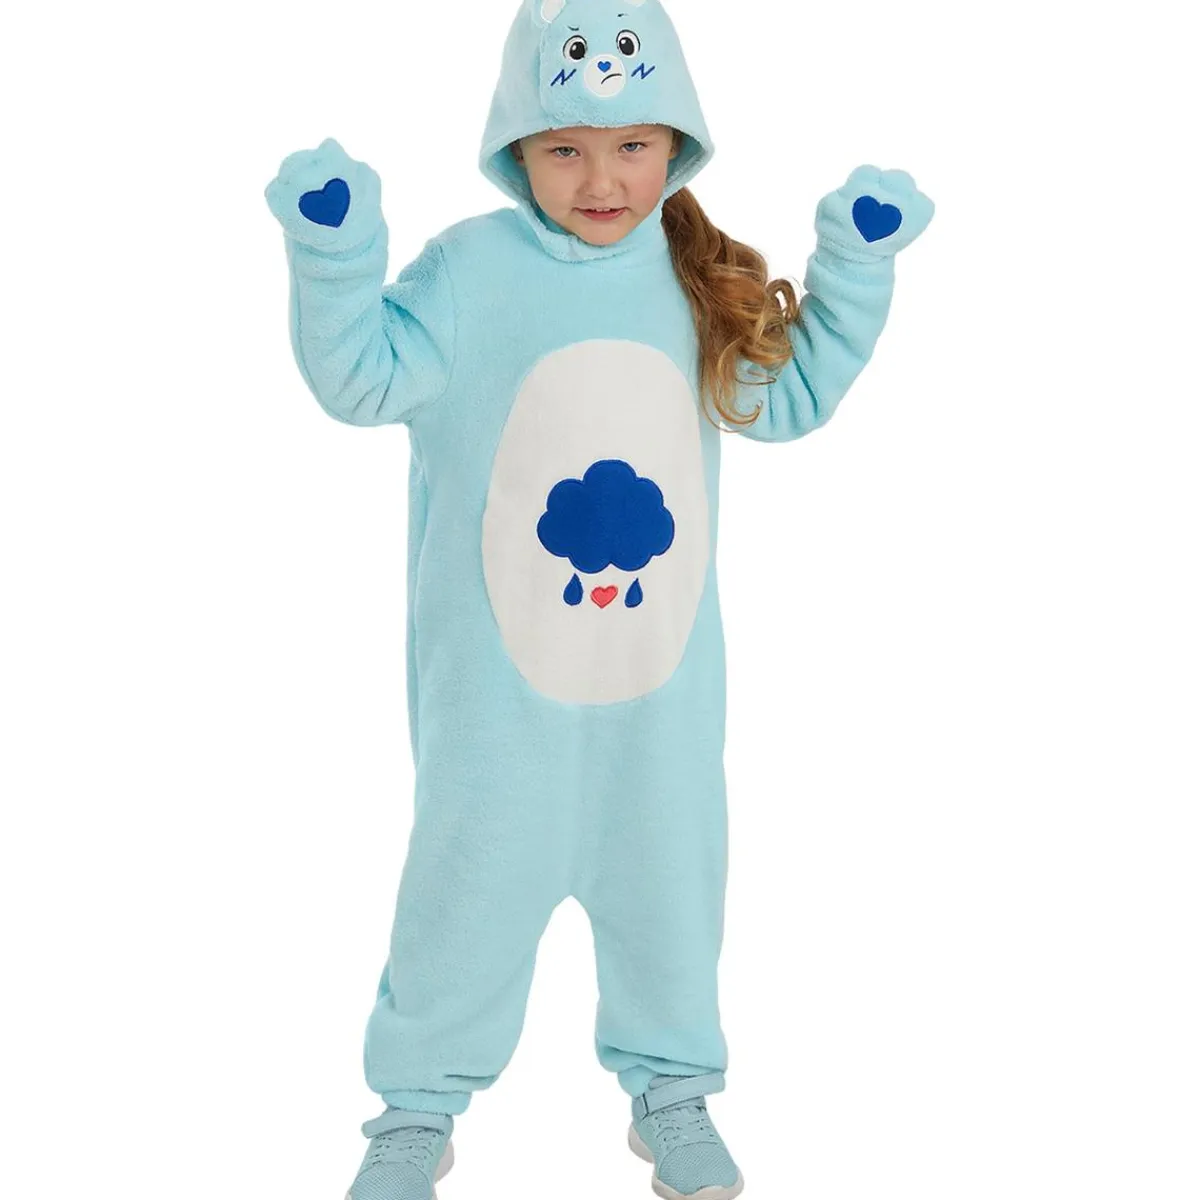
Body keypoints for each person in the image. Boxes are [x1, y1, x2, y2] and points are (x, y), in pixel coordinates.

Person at [264, 1, 933, 1197]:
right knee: (463, 894)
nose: (602, 178)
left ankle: (672, 1093)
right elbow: (363, 378)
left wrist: (855, 269)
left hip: (657, 695)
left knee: (670, 891)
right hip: (494, 698)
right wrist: (336, 253)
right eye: (565, 147)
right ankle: (416, 1110)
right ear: (515, 148)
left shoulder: (695, 277)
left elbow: (785, 400)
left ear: (678, 143)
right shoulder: (471, 272)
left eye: (633, 143)